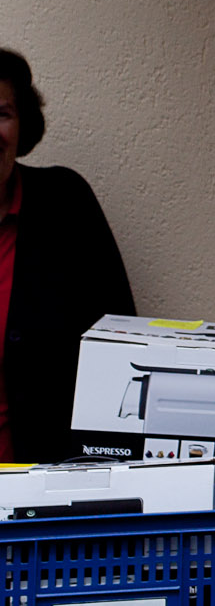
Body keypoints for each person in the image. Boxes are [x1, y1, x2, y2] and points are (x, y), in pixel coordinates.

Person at [0, 48, 135, 462]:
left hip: (47, 481)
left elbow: (120, 342)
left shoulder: (64, 205)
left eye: (2, 114)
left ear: (23, 125)